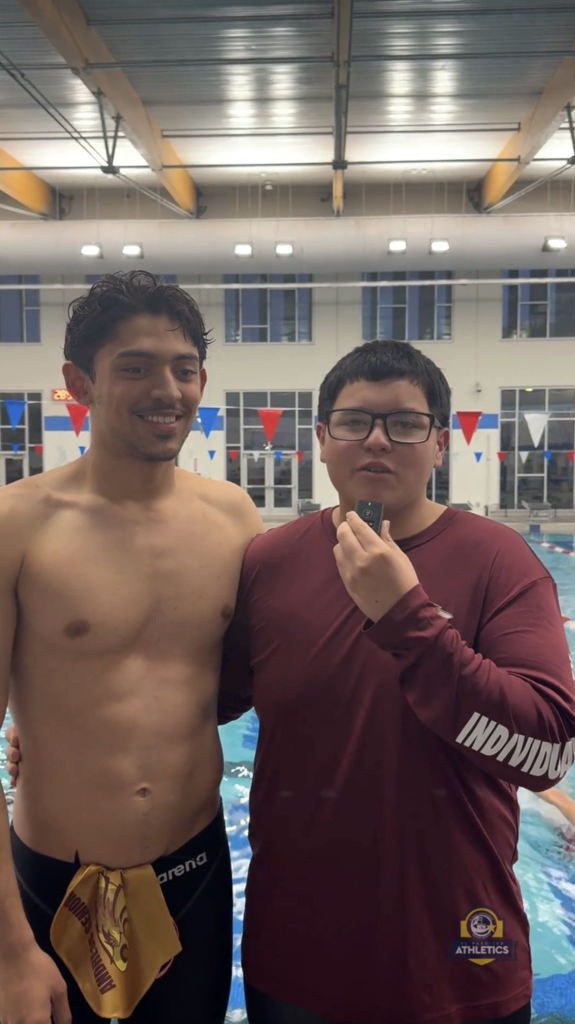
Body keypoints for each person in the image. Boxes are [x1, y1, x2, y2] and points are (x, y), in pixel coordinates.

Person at [8, 339, 575, 1024]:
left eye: (404, 423)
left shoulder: (497, 561)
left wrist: (407, 619)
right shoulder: (271, 561)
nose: (377, 440)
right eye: (354, 421)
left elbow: (546, 750)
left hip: (458, 953)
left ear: (439, 444)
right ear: (320, 440)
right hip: (295, 957)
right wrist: (67, 732)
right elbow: (206, 694)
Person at [0, 271, 262, 1024]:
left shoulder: (234, 519)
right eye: (136, 367)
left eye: (184, 369)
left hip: (194, 872)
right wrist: (11, 952)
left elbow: (271, 676)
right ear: (79, 382)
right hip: (53, 884)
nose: (166, 390)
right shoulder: (19, 525)